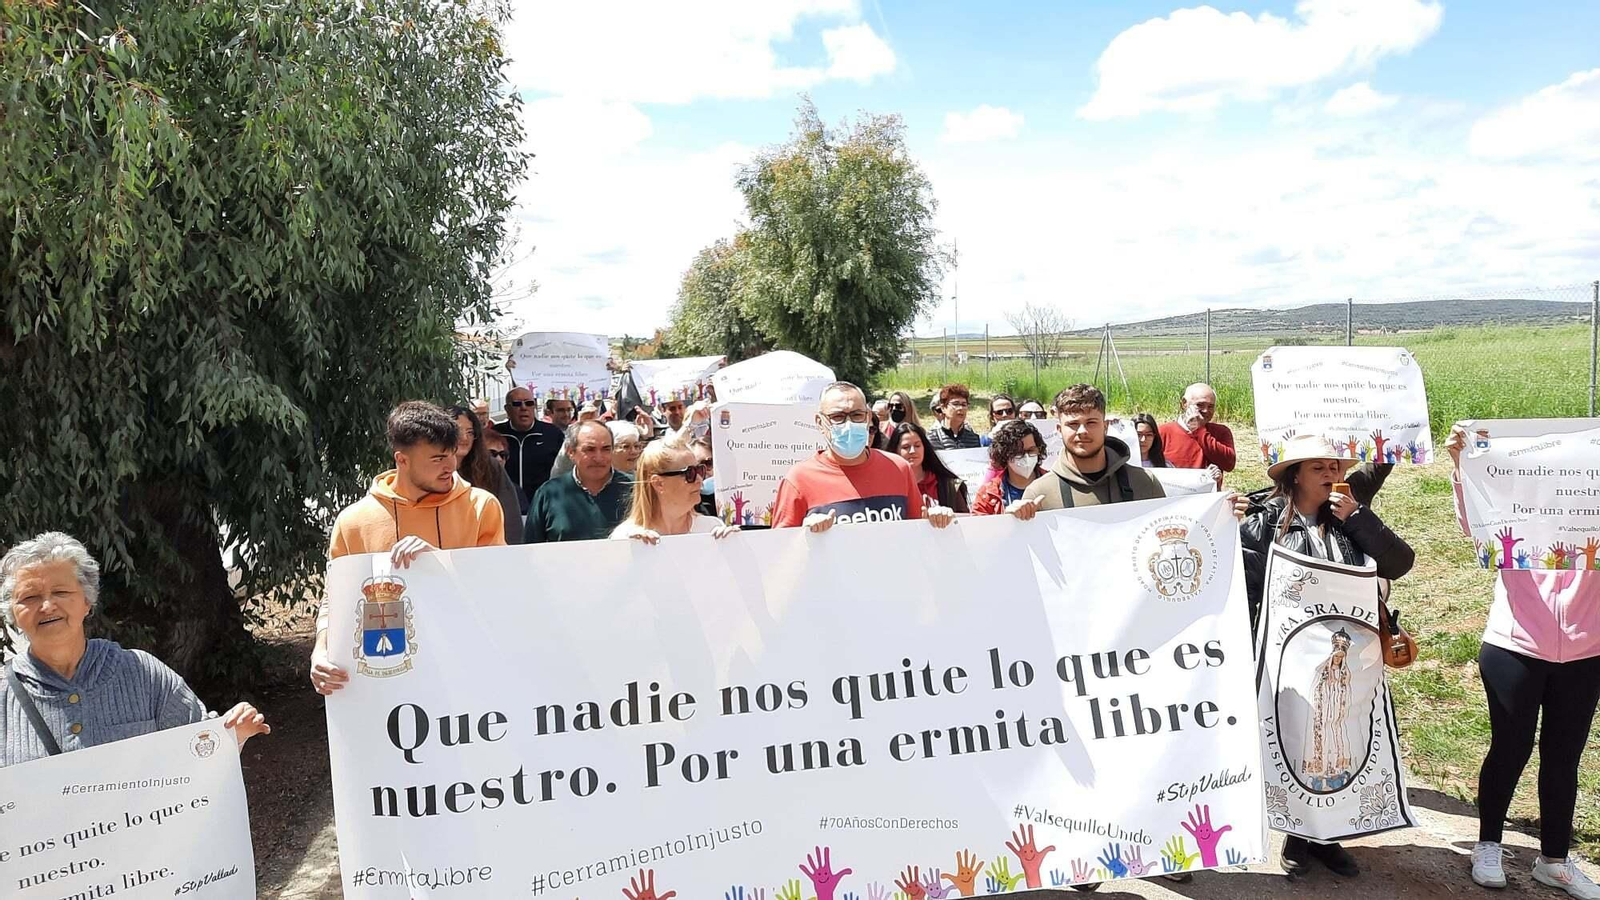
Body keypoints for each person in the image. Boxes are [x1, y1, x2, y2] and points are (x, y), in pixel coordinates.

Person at [1238, 433, 1415, 879]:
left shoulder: (1349, 516)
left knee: (1343, 743)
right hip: (1290, 657)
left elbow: (1400, 563)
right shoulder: (1265, 522)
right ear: (1295, 476)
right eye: (1318, 468)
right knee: (1301, 742)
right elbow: (1245, 588)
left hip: (1349, 661)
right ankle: (1297, 834)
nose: (1330, 475)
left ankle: (1326, 837)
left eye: (1334, 467)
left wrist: (1359, 519)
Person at [1445, 426, 1600, 898]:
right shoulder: (1516, 510)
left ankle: (1554, 860)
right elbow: (1475, 527)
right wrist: (1461, 466)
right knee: (1509, 748)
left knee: (1564, 757)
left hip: (1587, 651)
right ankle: (1488, 845)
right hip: (1513, 645)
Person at [1, 532, 270, 766]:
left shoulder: (141, 673)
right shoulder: (4, 694)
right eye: (30, 597)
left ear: (87, 602)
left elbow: (198, 750)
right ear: (13, 613)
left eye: (61, 592)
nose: (47, 606)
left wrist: (232, 734)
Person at [310, 401, 506, 694]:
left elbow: (500, 589)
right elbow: (336, 598)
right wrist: (321, 650)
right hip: (392, 681)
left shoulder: (482, 507)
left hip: (470, 671)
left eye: (452, 454)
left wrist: (439, 564)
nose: (451, 466)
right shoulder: (354, 522)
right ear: (402, 460)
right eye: (437, 458)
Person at [771, 382, 955, 533]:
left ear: (868, 418)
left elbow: (918, 532)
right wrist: (804, 535)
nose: (849, 423)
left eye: (857, 415)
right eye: (837, 417)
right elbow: (780, 552)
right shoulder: (799, 480)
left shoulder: (898, 468)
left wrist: (937, 520)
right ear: (820, 422)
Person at [1021, 384, 1166, 511]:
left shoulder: (1145, 483)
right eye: (1073, 424)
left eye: (1091, 423)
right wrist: (1014, 521)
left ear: (1105, 427)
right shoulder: (1039, 494)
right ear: (1059, 430)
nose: (1082, 431)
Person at [525, 420, 633, 543]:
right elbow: (531, 547)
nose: (598, 458)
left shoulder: (635, 489)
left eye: (606, 449)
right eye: (590, 449)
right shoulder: (549, 494)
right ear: (570, 452)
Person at [612, 442, 738, 543]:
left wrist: (735, 546)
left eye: (700, 470)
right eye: (690, 473)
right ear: (658, 483)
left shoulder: (711, 528)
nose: (700, 480)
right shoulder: (626, 536)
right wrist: (630, 552)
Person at [449, 404, 522, 545]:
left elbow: (509, 515)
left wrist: (512, 550)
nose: (464, 437)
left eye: (470, 432)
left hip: (487, 547)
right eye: (457, 431)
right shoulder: (430, 467)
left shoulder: (490, 466)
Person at [494, 386, 565, 513]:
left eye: (529, 403)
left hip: (544, 507)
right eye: (517, 404)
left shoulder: (552, 434)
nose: (524, 408)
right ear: (507, 409)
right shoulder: (495, 434)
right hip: (504, 507)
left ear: (535, 406)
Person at [885, 422, 970, 513]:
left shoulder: (949, 486)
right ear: (895, 451)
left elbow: (964, 519)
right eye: (906, 447)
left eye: (917, 445)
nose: (912, 451)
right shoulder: (887, 486)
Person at [1157, 383, 1236, 478]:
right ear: (1184, 404)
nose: (1206, 410)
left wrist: (1199, 431)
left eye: (1210, 406)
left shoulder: (1220, 432)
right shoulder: (1163, 432)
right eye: (1200, 405)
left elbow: (1229, 464)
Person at [973, 419, 1047, 516]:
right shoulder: (987, 494)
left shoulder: (1055, 482)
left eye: (1031, 451)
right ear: (1005, 455)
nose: (1026, 457)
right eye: (1019, 453)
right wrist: (1005, 518)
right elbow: (977, 524)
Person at [927, 383, 982, 450]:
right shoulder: (932, 438)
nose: (960, 408)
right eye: (956, 404)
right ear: (943, 408)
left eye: (964, 404)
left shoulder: (973, 439)